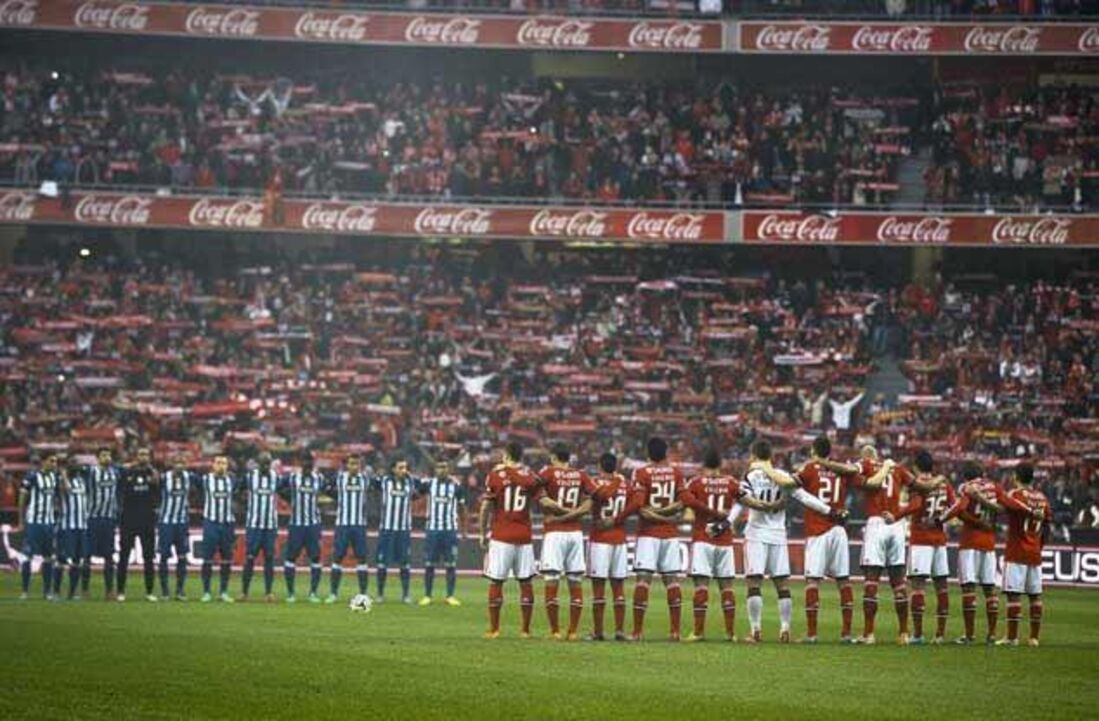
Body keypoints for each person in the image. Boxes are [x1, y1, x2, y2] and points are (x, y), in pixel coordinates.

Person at [738, 440, 822, 644]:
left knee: (754, 582)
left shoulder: (750, 476)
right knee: (782, 584)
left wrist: (762, 506)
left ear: (753, 455)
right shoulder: (782, 476)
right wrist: (829, 511)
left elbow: (742, 499)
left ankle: (755, 630)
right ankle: (785, 629)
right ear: (770, 456)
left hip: (756, 533)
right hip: (778, 533)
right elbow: (805, 497)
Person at [617, 436, 685, 642]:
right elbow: (682, 502)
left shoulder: (641, 473)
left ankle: (637, 632)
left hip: (648, 534)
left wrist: (655, 514)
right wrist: (667, 515)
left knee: (643, 580)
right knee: (672, 581)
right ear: (666, 453)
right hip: (670, 534)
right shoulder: (676, 473)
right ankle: (675, 632)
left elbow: (639, 506)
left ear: (648, 453)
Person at [795, 436, 858, 643]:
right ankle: (846, 634)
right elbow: (856, 475)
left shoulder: (810, 469)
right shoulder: (840, 469)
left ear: (814, 451)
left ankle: (812, 634)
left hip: (818, 529)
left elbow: (793, 485)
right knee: (843, 580)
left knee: (813, 581)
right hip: (839, 529)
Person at [479, 441, 541, 639]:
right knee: (526, 582)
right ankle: (525, 630)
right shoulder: (530, 477)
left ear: (506, 455)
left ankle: (494, 629)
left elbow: (485, 507)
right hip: (524, 536)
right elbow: (541, 498)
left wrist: (482, 532)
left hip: (501, 536)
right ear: (521, 456)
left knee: (497, 581)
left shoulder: (495, 475)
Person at [680, 449, 742, 643]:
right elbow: (743, 500)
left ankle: (698, 632)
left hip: (703, 538)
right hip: (725, 540)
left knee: (701, 586)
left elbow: (685, 501)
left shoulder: (696, 482)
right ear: (720, 465)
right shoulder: (731, 482)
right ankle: (730, 633)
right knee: (727, 587)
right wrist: (727, 519)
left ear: (704, 464)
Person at [855, 446, 914, 645]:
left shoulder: (865, 465)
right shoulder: (897, 468)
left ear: (866, 457)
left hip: (877, 521)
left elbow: (862, 483)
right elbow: (917, 489)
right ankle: (904, 633)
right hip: (896, 523)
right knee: (898, 581)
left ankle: (869, 634)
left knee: (872, 580)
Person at [536, 442, 593, 640]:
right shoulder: (581, 475)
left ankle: (555, 631)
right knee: (575, 581)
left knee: (552, 580)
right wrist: (573, 513)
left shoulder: (548, 472)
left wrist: (562, 514)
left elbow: (542, 499)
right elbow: (591, 501)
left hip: (554, 533)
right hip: (575, 534)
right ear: (569, 458)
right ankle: (573, 631)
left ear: (553, 457)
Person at [990, 463, 1050, 647]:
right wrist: (1039, 547)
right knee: (1035, 596)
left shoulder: (1016, 494)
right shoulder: (1042, 498)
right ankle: (1034, 638)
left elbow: (1003, 504)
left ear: (1016, 476)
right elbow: (1047, 526)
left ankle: (1012, 637)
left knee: (1013, 595)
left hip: (1016, 551)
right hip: (1034, 552)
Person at [945, 463, 1003, 644]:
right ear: (982, 473)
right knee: (990, 589)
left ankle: (970, 636)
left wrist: (943, 519)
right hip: (989, 543)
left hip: (970, 541)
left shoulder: (966, 487)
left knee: (969, 588)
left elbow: (959, 509)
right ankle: (992, 635)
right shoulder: (994, 487)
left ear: (965, 476)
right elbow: (1004, 507)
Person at [905, 450, 955, 645]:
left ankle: (918, 635)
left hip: (920, 539)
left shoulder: (917, 484)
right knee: (941, 588)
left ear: (916, 466)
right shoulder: (943, 484)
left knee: (918, 587)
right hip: (939, 540)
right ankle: (940, 635)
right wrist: (941, 520)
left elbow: (915, 506)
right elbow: (954, 507)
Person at [586, 452, 631, 641]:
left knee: (598, 587)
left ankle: (598, 632)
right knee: (618, 586)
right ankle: (620, 631)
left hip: (600, 539)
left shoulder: (594, 483)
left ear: (599, 466)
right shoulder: (625, 484)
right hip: (619, 539)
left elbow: (590, 504)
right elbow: (635, 505)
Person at [416, 460, 466, 607]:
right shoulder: (429, 484)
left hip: (450, 530)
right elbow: (414, 494)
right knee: (429, 564)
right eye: (439, 467)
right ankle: (427, 596)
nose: (441, 470)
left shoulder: (456, 486)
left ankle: (450, 596)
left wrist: (464, 530)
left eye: (444, 467)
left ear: (449, 469)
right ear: (435, 469)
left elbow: (462, 508)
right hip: (433, 530)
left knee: (451, 564)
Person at [280, 453, 325, 603]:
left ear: (312, 464)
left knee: (316, 558)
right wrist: (289, 499)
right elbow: (279, 487)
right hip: (296, 524)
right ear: (301, 463)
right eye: (305, 462)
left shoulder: (319, 478)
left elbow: (329, 490)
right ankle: (291, 593)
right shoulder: (292, 478)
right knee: (291, 557)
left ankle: (313, 593)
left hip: (313, 525)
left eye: (309, 462)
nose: (307, 465)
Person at [116, 448, 159, 602]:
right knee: (124, 556)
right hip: (129, 519)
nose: (143, 457)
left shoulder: (153, 473)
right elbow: (119, 491)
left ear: (150, 457)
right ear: (136, 456)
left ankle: (149, 592)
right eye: (141, 454)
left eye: (146, 454)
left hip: (147, 520)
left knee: (148, 557)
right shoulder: (127, 472)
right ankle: (120, 591)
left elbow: (158, 491)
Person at [327, 455, 369, 603]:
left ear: (360, 465)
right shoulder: (339, 478)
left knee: (362, 558)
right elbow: (326, 488)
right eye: (352, 464)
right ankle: (333, 594)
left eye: (357, 464)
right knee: (338, 557)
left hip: (359, 525)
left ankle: (363, 594)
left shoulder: (366, 479)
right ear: (347, 465)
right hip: (343, 525)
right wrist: (338, 498)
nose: (354, 467)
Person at [373, 458, 416, 604]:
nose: (404, 470)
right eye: (400, 467)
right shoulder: (384, 481)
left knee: (405, 563)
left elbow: (423, 488)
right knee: (382, 563)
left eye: (405, 467)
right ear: (393, 469)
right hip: (387, 529)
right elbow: (371, 482)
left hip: (403, 530)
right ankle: (380, 594)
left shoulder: (411, 482)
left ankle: (405, 595)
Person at [197, 455, 237, 603]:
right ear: (213, 465)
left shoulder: (232, 480)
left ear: (227, 466)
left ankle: (223, 592)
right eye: (218, 463)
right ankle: (206, 592)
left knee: (226, 559)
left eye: (224, 463)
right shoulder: (205, 480)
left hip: (227, 524)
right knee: (207, 559)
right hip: (211, 523)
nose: (221, 466)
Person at [240, 453, 280, 602]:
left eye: (267, 464)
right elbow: (237, 489)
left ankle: (268, 593)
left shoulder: (276, 477)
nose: (265, 466)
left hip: (270, 526)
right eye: (263, 463)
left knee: (269, 558)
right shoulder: (250, 477)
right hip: (254, 525)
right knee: (250, 558)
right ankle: (244, 592)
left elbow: (285, 491)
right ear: (258, 464)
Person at [18, 454, 59, 600]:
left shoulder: (54, 478)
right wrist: (21, 520)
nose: (54, 464)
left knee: (48, 557)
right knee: (28, 555)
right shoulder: (32, 476)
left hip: (48, 523)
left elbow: (57, 498)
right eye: (52, 461)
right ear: (44, 461)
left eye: (56, 461)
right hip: (34, 523)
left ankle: (47, 592)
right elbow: (22, 498)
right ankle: (25, 591)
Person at [85, 448, 120, 599]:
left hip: (109, 519)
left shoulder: (116, 472)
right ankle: (85, 590)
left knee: (109, 556)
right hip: (92, 518)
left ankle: (109, 591)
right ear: (97, 458)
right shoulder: (90, 471)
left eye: (109, 455)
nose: (107, 458)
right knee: (86, 555)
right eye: (104, 455)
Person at [54, 459, 90, 601]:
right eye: (73, 464)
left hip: (82, 526)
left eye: (77, 464)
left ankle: (72, 592)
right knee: (61, 559)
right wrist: (64, 475)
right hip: (67, 526)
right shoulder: (62, 480)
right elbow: (66, 491)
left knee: (77, 560)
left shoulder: (81, 481)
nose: (76, 467)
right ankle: (56, 592)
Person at [157, 455, 192, 601]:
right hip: (166, 523)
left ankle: (180, 590)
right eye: (177, 463)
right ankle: (165, 591)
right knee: (163, 556)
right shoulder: (163, 478)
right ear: (172, 464)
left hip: (182, 524)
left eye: (182, 462)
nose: (179, 465)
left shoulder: (189, 477)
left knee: (182, 557)